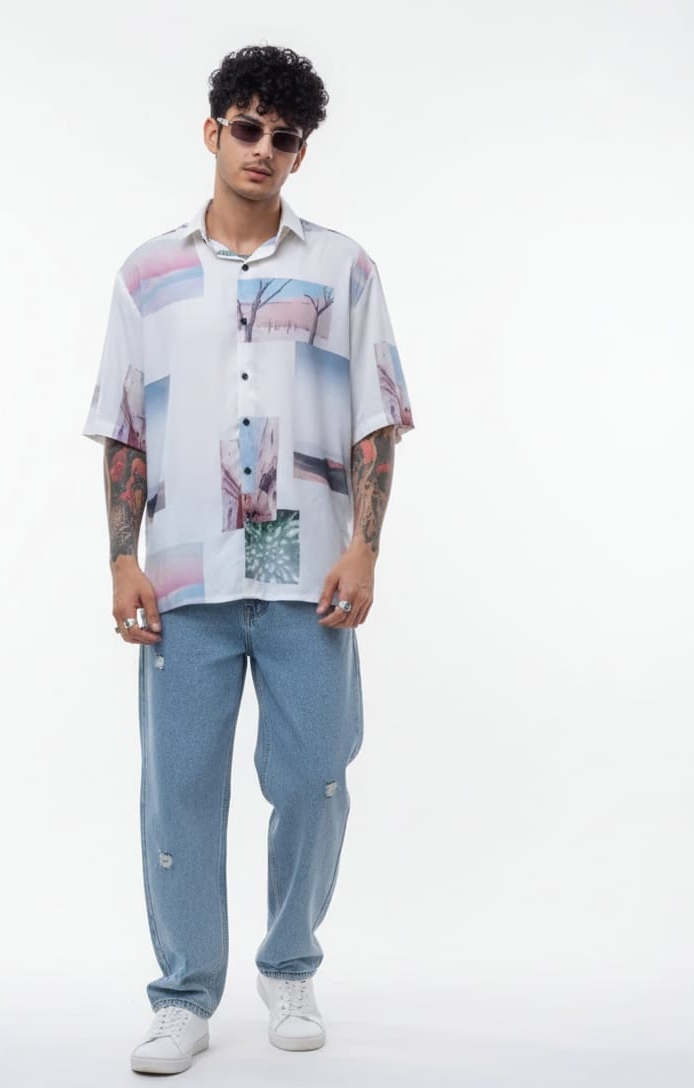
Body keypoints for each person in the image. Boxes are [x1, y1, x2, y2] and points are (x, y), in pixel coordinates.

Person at [82, 43, 414, 1076]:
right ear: (213, 131)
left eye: (284, 135)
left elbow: (377, 419)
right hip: (185, 570)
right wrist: (122, 558)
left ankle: (289, 962)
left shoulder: (344, 268)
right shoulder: (148, 274)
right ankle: (184, 993)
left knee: (314, 775)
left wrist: (365, 545)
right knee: (179, 790)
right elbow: (125, 426)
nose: (262, 147)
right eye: (247, 126)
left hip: (306, 565)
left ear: (300, 152)